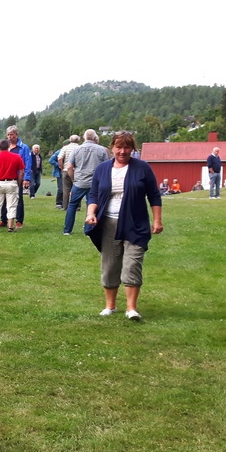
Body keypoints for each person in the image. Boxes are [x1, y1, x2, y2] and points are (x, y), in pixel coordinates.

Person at [84, 131, 162, 321]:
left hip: (135, 223)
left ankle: (131, 309)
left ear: (132, 149)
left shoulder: (142, 168)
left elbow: (154, 195)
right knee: (110, 265)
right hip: (108, 223)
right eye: (119, 147)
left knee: (132, 264)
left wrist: (157, 220)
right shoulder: (102, 169)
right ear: (112, 148)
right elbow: (93, 195)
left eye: (127, 147)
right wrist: (91, 213)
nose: (123, 151)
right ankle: (110, 306)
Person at [63, 130, 109, 236]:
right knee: (91, 206)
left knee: (72, 205)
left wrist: (74, 180)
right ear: (95, 138)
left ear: (84, 137)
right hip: (95, 183)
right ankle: (88, 230)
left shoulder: (76, 150)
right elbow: (107, 167)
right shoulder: (102, 150)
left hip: (79, 182)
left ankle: (67, 230)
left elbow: (69, 167)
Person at [0, 139, 24, 232]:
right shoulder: (17, 157)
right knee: (11, 205)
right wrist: (18, 182)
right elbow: (22, 171)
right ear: (8, 146)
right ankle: (10, 226)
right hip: (12, 182)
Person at [0, 126, 31, 229]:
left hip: (18, 177)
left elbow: (28, 163)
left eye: (11, 134)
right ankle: (4, 220)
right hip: (5, 176)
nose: (9, 137)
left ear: (16, 134)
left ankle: (19, 220)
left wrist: (26, 178)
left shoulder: (24, 147)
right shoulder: (4, 147)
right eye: (8, 135)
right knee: (3, 199)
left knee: (18, 198)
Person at [57, 134, 81, 211]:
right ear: (78, 140)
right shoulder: (80, 148)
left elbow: (60, 158)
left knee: (66, 189)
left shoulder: (65, 148)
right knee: (77, 188)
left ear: (70, 140)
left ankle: (65, 206)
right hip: (77, 170)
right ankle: (77, 206)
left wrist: (62, 167)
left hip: (66, 170)